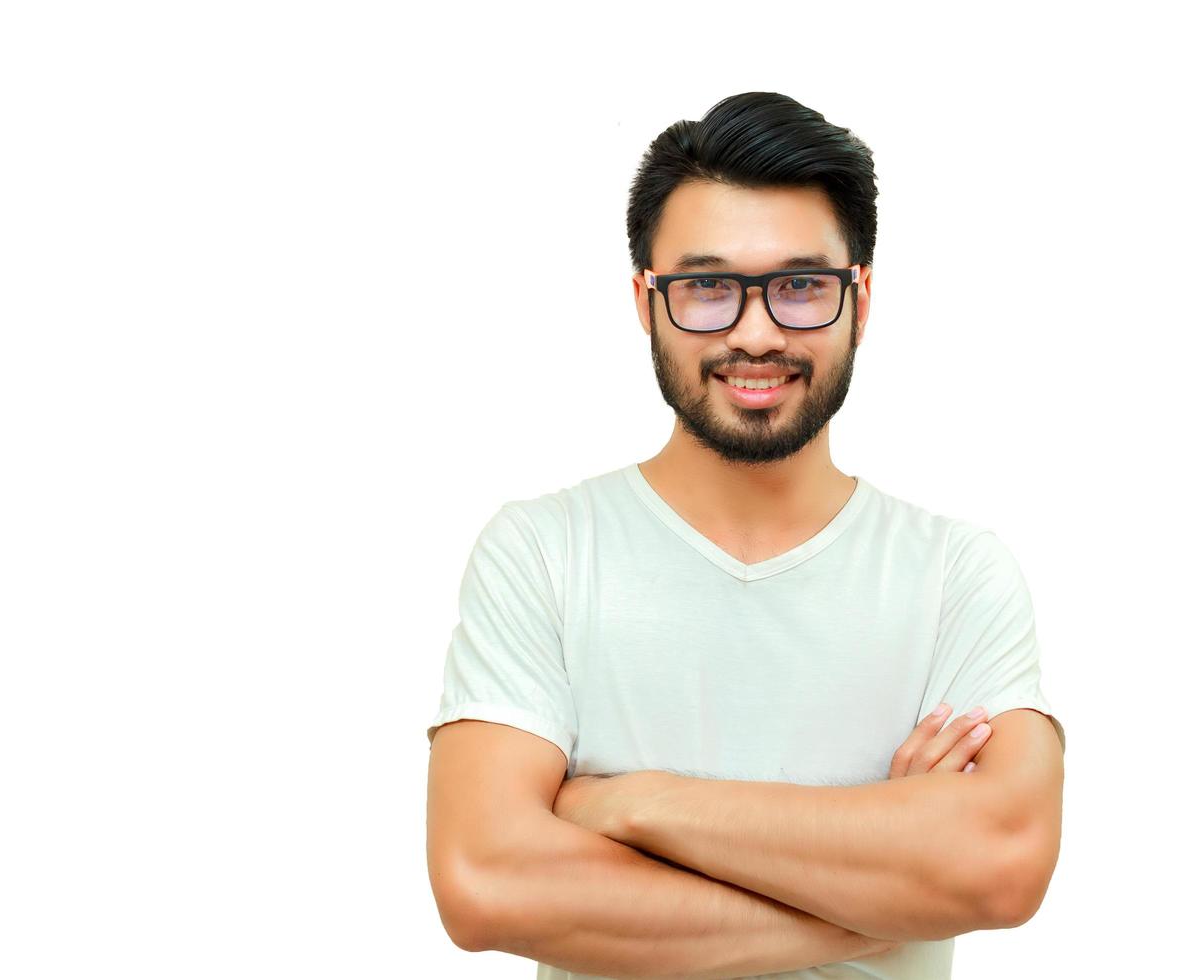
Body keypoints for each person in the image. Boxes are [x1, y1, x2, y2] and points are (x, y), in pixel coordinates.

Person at [424, 92, 1065, 980]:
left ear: (861, 299)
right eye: (706, 287)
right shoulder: (544, 553)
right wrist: (880, 896)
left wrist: (639, 806)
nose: (755, 332)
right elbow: (487, 882)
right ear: (646, 302)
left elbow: (1000, 863)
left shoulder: (955, 575)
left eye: (801, 285)